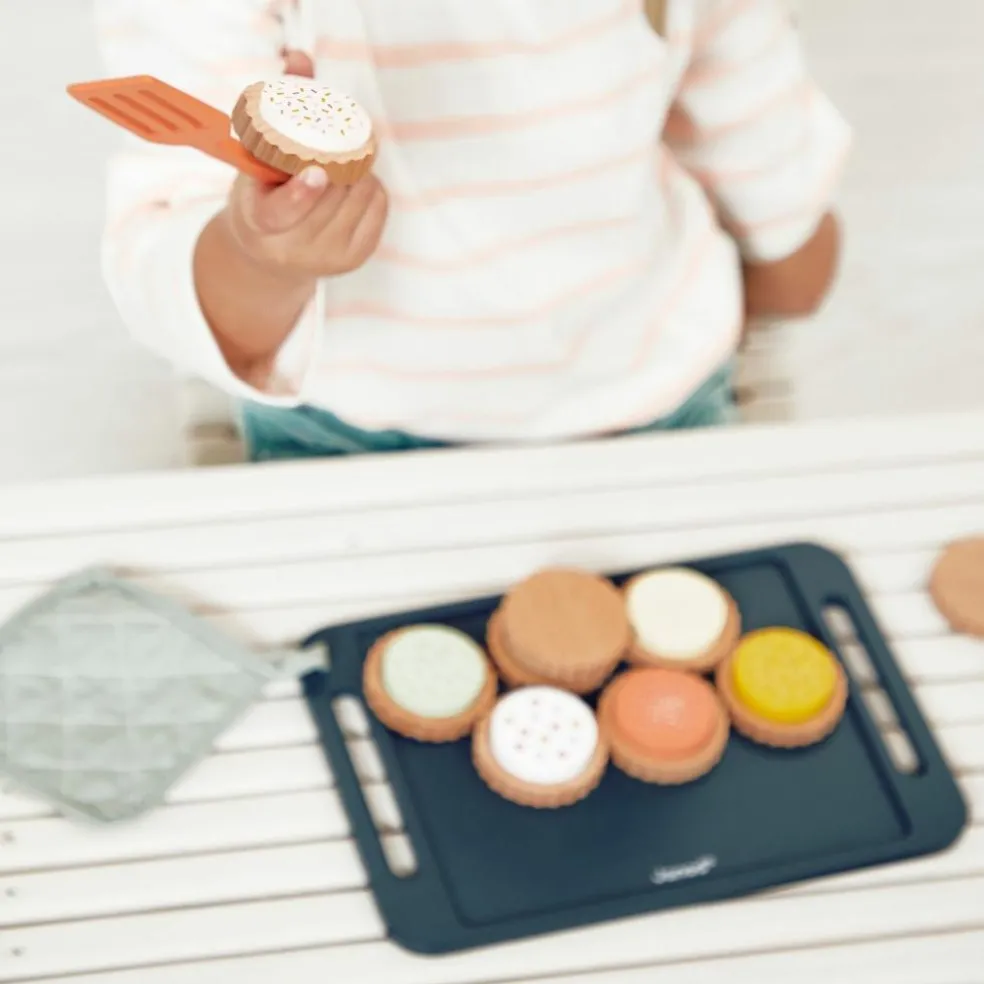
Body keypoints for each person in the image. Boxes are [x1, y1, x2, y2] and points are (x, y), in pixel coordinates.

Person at [94, 0, 850, 461]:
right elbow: (175, 276)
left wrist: (787, 247)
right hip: (348, 429)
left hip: (654, 396)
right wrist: (262, 257)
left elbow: (774, 194)